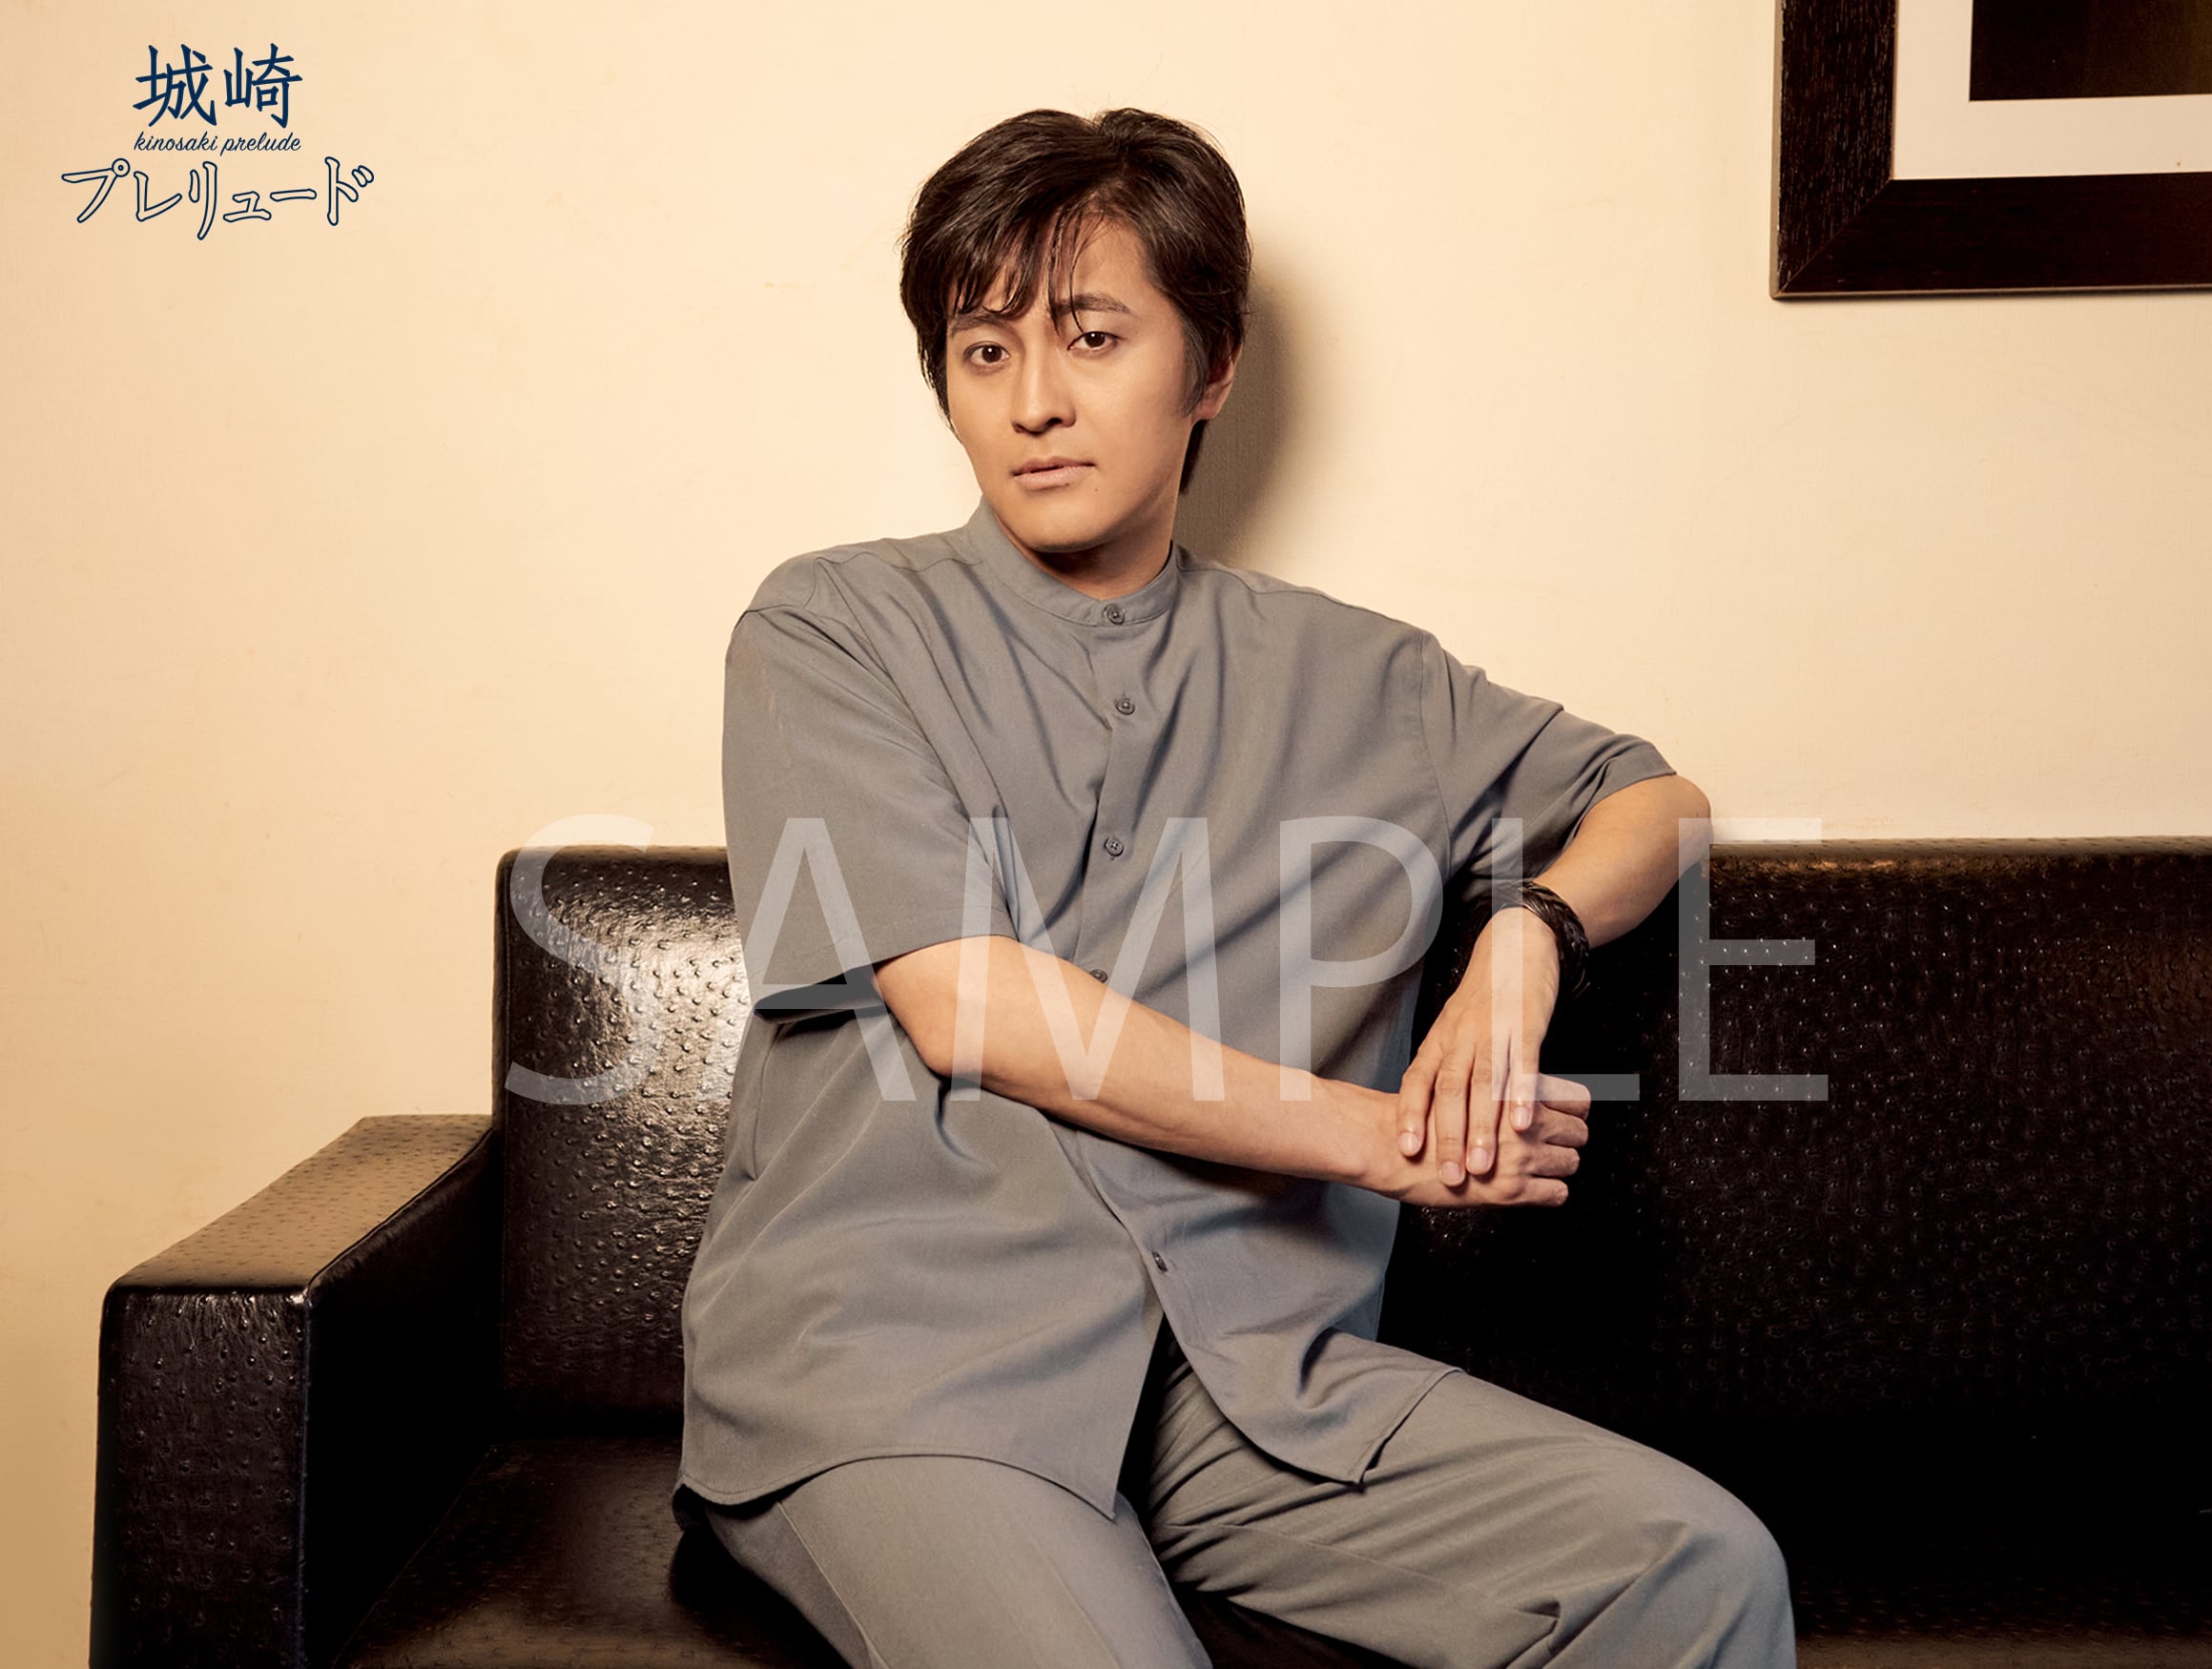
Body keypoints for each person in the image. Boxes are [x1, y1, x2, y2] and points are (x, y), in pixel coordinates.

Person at [675, 106, 1795, 1669]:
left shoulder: (1364, 679)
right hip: (905, 1371)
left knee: (1694, 1564)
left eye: (1091, 336)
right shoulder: (832, 626)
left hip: (1243, 1386)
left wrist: (1525, 938)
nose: (1034, 400)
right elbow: (971, 1006)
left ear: (1209, 369)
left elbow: (1652, 799)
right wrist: (1385, 1136)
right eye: (984, 351)